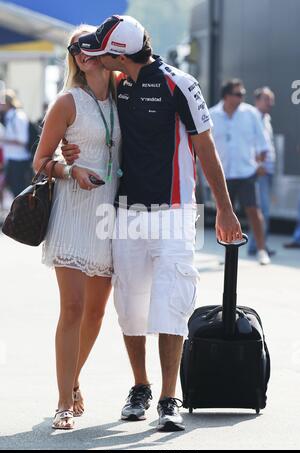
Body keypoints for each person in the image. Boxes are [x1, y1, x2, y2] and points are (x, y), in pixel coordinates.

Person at [62, 15, 242, 432]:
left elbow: (206, 147)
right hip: (124, 212)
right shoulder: (117, 84)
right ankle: (140, 386)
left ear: (119, 53)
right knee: (130, 307)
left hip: (176, 212)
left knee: (171, 302)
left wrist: (226, 209)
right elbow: (84, 115)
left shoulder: (181, 83)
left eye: (103, 49)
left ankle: (167, 396)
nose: (99, 55)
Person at [33, 24, 121, 430]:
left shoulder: (125, 95)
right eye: (76, 47)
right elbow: (40, 162)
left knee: (96, 313)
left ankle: (74, 379)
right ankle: (63, 401)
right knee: (72, 307)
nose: (83, 51)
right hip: (73, 209)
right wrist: (71, 170)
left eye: (91, 44)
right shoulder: (67, 101)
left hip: (109, 214)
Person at [209, 79, 271, 265]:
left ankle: (262, 250)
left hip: (246, 173)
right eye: (238, 93)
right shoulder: (212, 115)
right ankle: (226, 252)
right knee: (225, 213)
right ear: (227, 96)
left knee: (253, 211)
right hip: (223, 174)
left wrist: (260, 162)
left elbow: (262, 142)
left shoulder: (250, 113)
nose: (242, 96)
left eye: (243, 93)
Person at [248, 87, 276, 256]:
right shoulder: (253, 118)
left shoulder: (267, 119)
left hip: (268, 170)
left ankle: (258, 244)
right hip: (260, 171)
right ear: (257, 101)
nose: (270, 103)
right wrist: (258, 165)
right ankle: (259, 246)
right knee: (262, 210)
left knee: (264, 209)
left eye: (271, 99)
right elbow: (250, 144)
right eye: (266, 99)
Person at [0, 90, 31, 197]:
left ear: (7, 102)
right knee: (12, 190)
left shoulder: (18, 116)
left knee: (19, 191)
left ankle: (20, 213)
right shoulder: (9, 117)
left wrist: (4, 139)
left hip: (19, 160)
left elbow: (23, 139)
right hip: (11, 159)